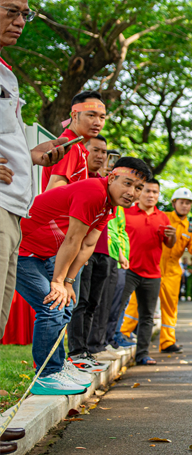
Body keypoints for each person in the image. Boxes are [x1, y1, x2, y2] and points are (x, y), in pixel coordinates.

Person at [17, 158, 149, 393]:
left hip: (42, 254)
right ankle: (46, 376)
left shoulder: (108, 206)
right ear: (112, 178)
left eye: (138, 188)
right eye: (127, 183)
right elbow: (73, 239)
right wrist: (58, 282)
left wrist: (68, 282)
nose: (132, 192)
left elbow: (88, 245)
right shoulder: (92, 192)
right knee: (51, 306)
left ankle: (56, 367)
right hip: (21, 249)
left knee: (65, 305)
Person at [0, 0, 74, 349]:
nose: (20, 22)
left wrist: (30, 157)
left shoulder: (5, 73)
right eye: (11, 11)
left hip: (13, 210)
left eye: (25, 14)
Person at [68, 136, 116, 368]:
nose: (100, 156)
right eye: (95, 150)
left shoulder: (108, 183)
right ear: (83, 152)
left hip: (104, 251)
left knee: (93, 303)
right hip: (81, 250)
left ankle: (85, 350)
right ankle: (76, 351)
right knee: (81, 301)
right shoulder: (77, 178)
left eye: (104, 152)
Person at [120, 175, 176, 365]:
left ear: (158, 195)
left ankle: (142, 354)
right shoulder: (125, 212)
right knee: (117, 308)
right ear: (140, 192)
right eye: (147, 191)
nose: (151, 195)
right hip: (128, 270)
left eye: (155, 192)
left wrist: (173, 237)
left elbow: (169, 244)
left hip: (152, 274)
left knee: (147, 316)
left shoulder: (162, 217)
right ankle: (110, 342)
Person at [42, 90, 106, 193]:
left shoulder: (76, 146)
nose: (97, 122)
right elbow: (53, 195)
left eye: (102, 117)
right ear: (75, 116)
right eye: (91, 115)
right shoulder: (71, 147)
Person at [102, 200, 133, 350]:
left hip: (119, 259)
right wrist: (120, 254)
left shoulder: (121, 207)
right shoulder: (110, 203)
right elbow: (110, 232)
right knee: (107, 304)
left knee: (118, 303)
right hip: (111, 255)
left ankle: (111, 339)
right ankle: (105, 341)